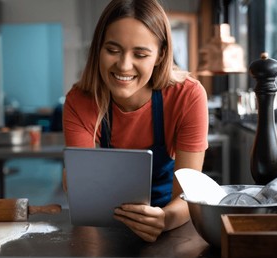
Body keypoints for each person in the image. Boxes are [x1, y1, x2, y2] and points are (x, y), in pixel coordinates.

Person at [62, 0, 209, 242]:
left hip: (172, 224)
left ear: (161, 54)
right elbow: (82, 190)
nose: (124, 65)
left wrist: (164, 219)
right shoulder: (80, 100)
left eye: (140, 54)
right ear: (98, 48)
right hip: (105, 225)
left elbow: (189, 195)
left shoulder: (188, 96)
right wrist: (76, 183)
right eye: (112, 50)